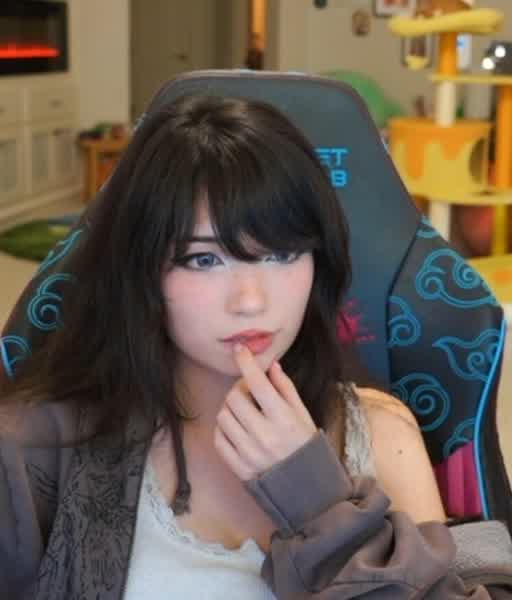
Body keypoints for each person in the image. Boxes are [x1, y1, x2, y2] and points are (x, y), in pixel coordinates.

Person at [0, 93, 510, 599]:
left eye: (282, 254)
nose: (251, 301)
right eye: (203, 260)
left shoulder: (380, 433)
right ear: (142, 271)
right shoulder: (39, 442)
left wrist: (317, 501)